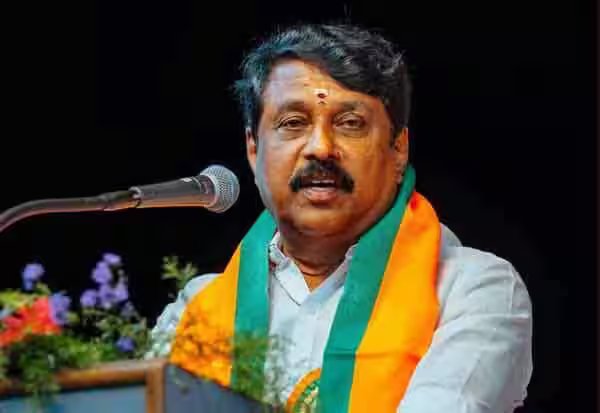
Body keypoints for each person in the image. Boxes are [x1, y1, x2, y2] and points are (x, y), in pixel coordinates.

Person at [147, 23, 533, 413]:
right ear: (253, 149)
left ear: (398, 149)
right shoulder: (195, 310)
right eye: (293, 123)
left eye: (350, 123)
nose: (320, 148)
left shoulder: (472, 290)